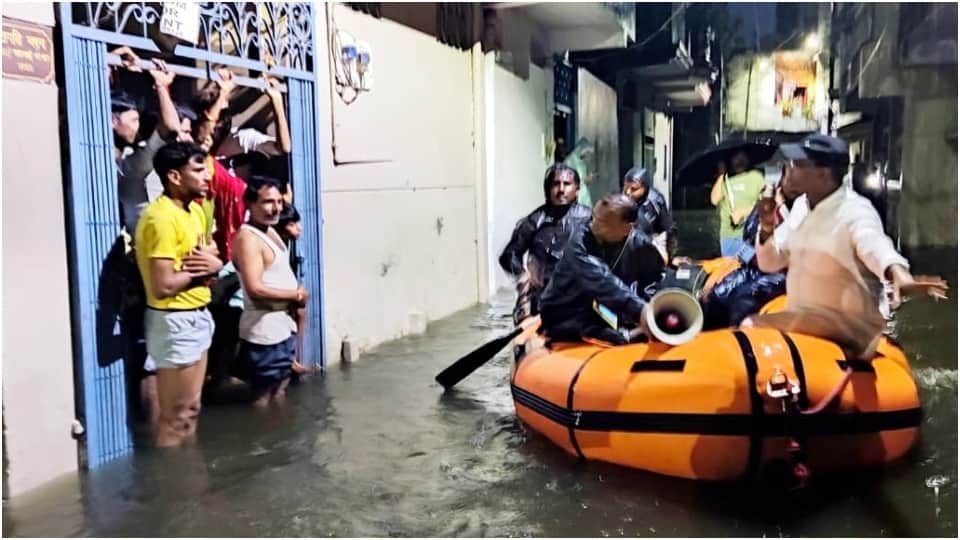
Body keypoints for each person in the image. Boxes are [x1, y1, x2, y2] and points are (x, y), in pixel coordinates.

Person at [743, 134, 949, 360]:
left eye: (799, 164)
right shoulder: (802, 207)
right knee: (752, 325)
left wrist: (898, 274)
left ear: (823, 174)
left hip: (846, 327)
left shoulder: (855, 211)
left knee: (751, 326)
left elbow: (875, 246)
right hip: (807, 316)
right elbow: (770, 262)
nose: (789, 168)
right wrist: (766, 225)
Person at [136, 142, 222, 447]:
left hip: (197, 315)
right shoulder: (160, 218)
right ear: (174, 176)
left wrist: (211, 263)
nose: (207, 176)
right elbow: (163, 285)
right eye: (197, 170)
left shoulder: (195, 211)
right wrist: (209, 268)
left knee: (191, 410)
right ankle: (170, 486)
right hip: (174, 321)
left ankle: (189, 481)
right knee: (175, 417)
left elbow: (205, 253)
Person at [538, 194, 664, 346]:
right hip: (567, 312)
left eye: (603, 223)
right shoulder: (578, 242)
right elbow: (601, 279)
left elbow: (654, 278)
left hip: (606, 307)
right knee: (598, 329)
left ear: (626, 228)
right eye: (594, 218)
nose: (593, 225)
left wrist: (654, 305)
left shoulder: (640, 242)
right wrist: (640, 310)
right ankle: (624, 336)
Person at [232, 177, 308, 406]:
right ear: (250, 203)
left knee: (280, 389)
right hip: (264, 332)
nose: (275, 208)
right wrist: (295, 296)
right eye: (267, 202)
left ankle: (279, 438)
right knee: (263, 396)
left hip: (282, 327)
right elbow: (254, 288)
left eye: (278, 202)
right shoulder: (249, 239)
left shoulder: (268, 230)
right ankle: (262, 440)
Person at [499, 164, 592, 324]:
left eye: (567, 184)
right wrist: (522, 276)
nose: (561, 189)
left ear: (577, 189)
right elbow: (509, 256)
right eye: (556, 184)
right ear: (548, 189)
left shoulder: (590, 219)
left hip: (578, 298)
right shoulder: (534, 221)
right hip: (539, 298)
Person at [710, 150, 766, 258]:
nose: (740, 159)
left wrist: (744, 212)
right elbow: (714, 200)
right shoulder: (725, 179)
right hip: (729, 236)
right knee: (731, 271)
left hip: (751, 236)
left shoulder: (756, 177)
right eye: (736, 156)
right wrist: (721, 174)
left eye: (743, 156)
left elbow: (764, 204)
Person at [623, 167, 676, 263]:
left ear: (645, 187)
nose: (628, 192)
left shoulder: (655, 201)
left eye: (633, 189)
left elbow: (667, 230)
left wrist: (670, 258)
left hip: (647, 249)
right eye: (625, 187)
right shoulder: (620, 200)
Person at [564, 137, 597, 208]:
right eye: (587, 152)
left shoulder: (582, 163)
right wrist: (584, 180)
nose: (587, 155)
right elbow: (568, 181)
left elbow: (583, 180)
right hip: (575, 196)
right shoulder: (570, 161)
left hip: (583, 195)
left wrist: (588, 180)